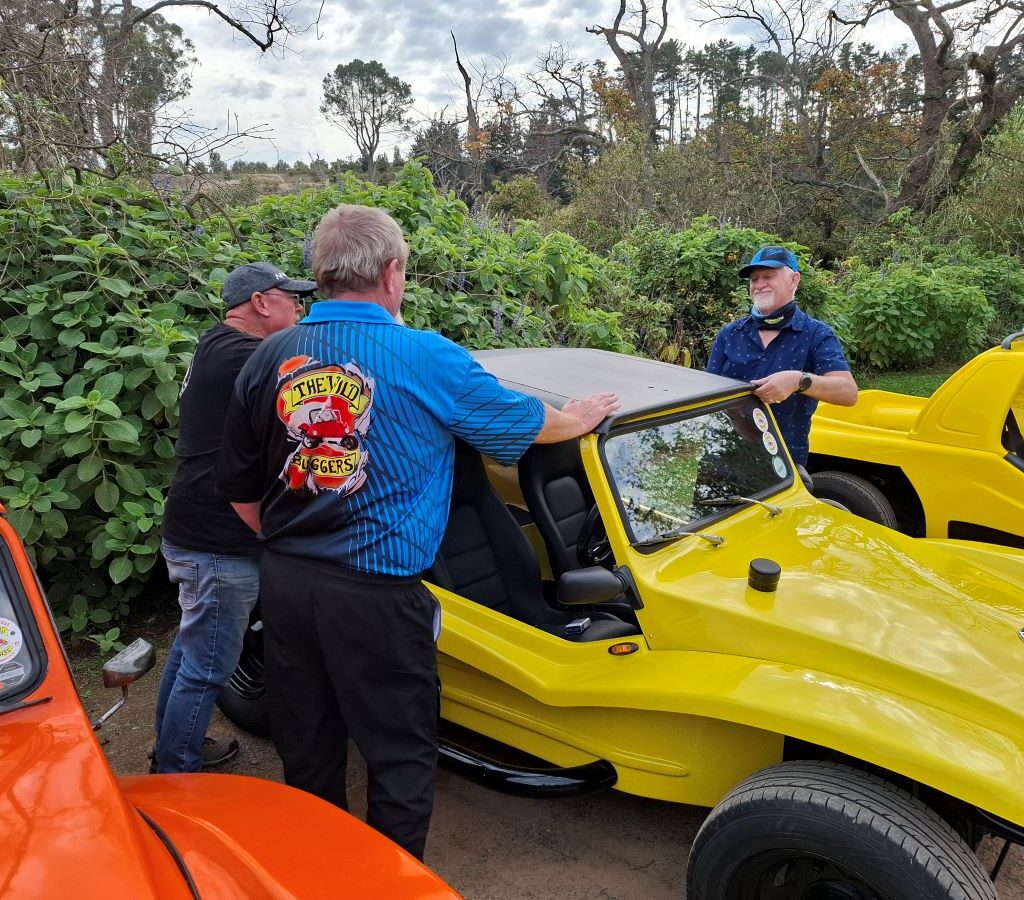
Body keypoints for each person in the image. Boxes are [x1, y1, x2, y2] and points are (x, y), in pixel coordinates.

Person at [215, 204, 619, 860]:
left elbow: (238, 494)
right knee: (399, 758)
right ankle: (389, 882)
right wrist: (574, 419)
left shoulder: (268, 358)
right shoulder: (427, 356)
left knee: (309, 746)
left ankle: (324, 872)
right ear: (393, 274)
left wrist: (297, 546)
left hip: (287, 587)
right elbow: (524, 425)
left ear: (320, 275)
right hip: (376, 597)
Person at [153, 262, 316, 773]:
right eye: (291, 298)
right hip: (217, 540)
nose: (301, 307)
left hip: (196, 529)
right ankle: (176, 773)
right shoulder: (249, 356)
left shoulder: (219, 344)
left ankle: (174, 746)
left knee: (191, 646)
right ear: (262, 302)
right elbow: (322, 368)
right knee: (209, 665)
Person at [706, 245, 857, 466]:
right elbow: (708, 395)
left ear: (794, 280)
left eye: (768, 276)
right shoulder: (730, 334)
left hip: (783, 467)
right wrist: (736, 415)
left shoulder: (817, 334)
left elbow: (848, 393)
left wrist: (798, 381)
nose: (759, 285)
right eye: (754, 279)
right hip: (722, 459)